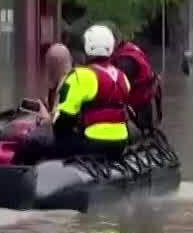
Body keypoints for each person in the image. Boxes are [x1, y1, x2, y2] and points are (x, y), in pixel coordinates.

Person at [15, 24, 133, 163]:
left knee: (32, 142)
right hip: (120, 143)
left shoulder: (80, 76)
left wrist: (48, 124)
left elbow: (63, 122)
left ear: (87, 49)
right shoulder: (122, 77)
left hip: (92, 143)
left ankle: (14, 175)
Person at [108, 31, 162, 129]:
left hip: (136, 112)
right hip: (144, 105)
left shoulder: (125, 61)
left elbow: (117, 91)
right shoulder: (129, 49)